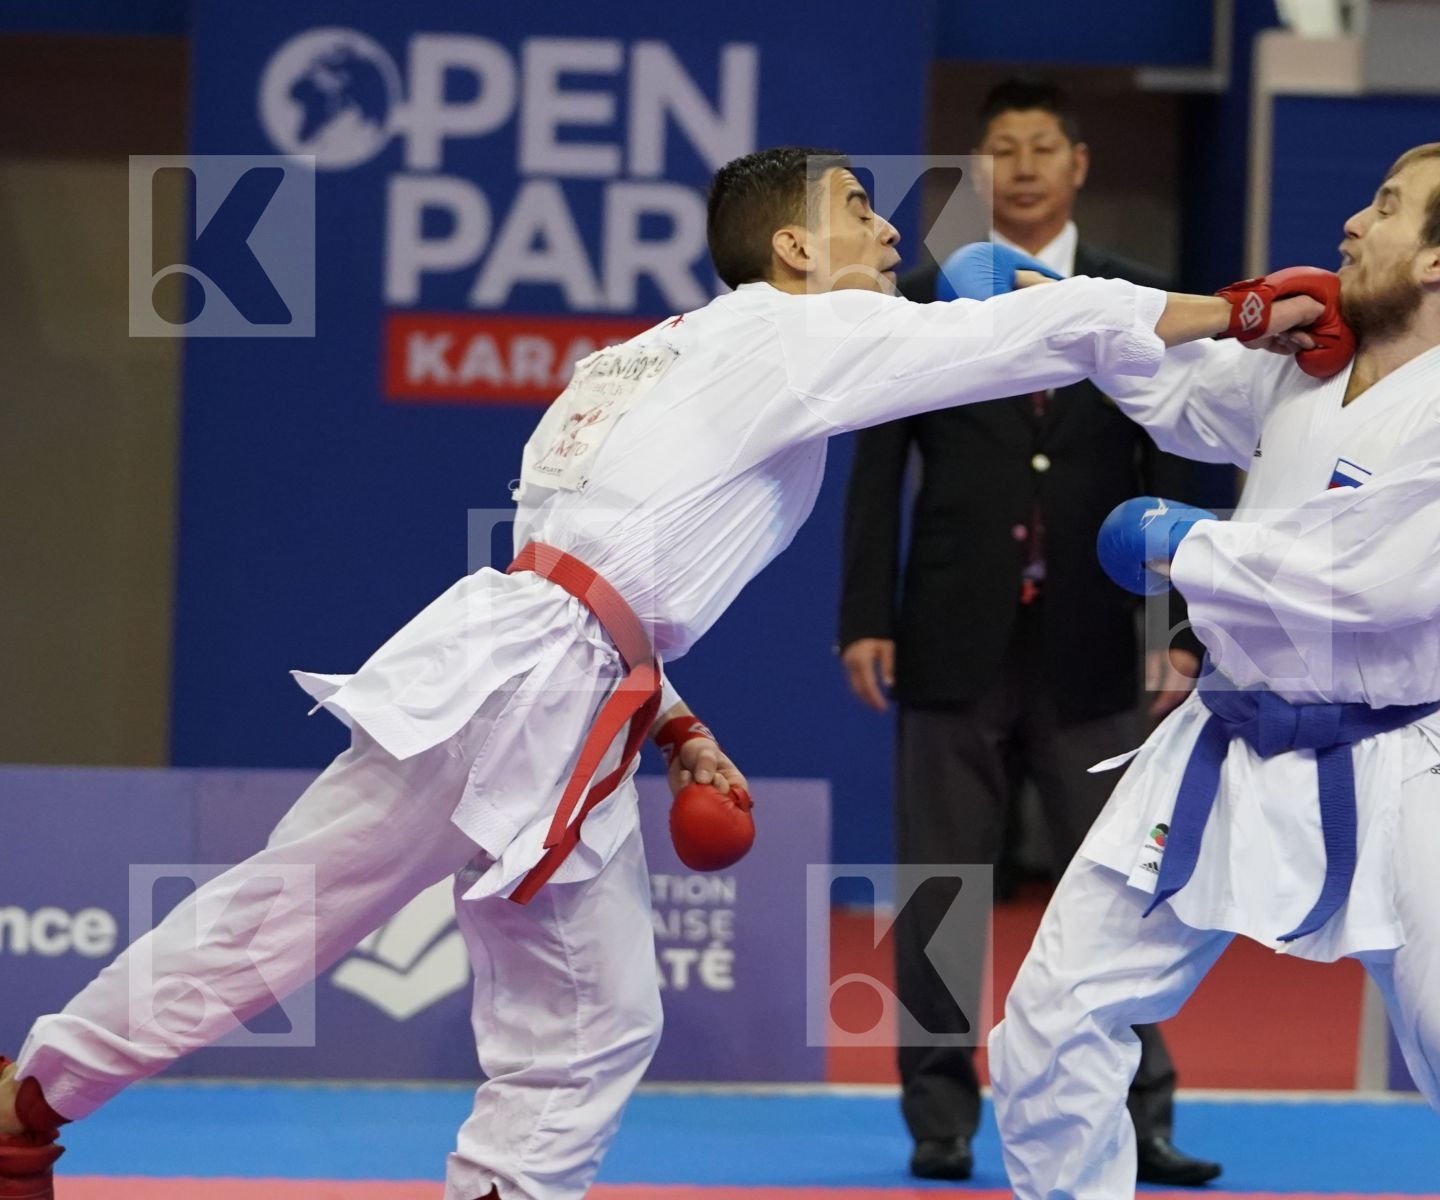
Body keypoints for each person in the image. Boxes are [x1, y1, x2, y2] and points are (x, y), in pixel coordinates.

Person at [0, 147, 1330, 1200]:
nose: (890, 233)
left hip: (525, 670)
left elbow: (580, 558)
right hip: (538, 688)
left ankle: (57, 1104)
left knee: (472, 978)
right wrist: (1244, 311)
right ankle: (50, 1100)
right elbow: (1045, 333)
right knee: (440, 971)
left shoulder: (638, 355)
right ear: (795, 245)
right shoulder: (794, 335)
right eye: (862, 209)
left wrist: (671, 718)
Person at [988, 143, 1440, 1200]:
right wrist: (1113, 312)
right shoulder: (1301, 370)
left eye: (1384, 206)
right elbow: (1160, 384)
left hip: (1383, 760)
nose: (1351, 227)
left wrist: (1188, 541)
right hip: (1219, 744)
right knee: (1051, 1018)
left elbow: (1380, 583)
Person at [836, 78, 1217, 1187]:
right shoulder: (920, 301)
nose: (1024, 165)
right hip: (951, 631)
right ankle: (941, 1121)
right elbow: (876, 474)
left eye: (1043, 146)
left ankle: (1142, 1118)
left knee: (1118, 890)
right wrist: (866, 615)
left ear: (1080, 163)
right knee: (943, 886)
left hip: (1100, 638)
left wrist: (1184, 627)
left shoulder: (1143, 300)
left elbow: (1181, 467)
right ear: (981, 168)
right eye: (1001, 149)